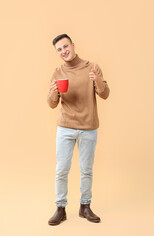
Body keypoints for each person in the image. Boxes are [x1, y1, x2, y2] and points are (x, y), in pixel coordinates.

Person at [47, 34, 110, 225]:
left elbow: (105, 94)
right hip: (65, 127)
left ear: (73, 45)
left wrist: (97, 80)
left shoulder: (91, 67)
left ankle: (85, 207)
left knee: (86, 170)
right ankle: (60, 208)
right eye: (59, 49)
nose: (64, 51)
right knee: (62, 170)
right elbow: (52, 104)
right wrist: (52, 94)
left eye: (66, 46)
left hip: (88, 127)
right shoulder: (57, 72)